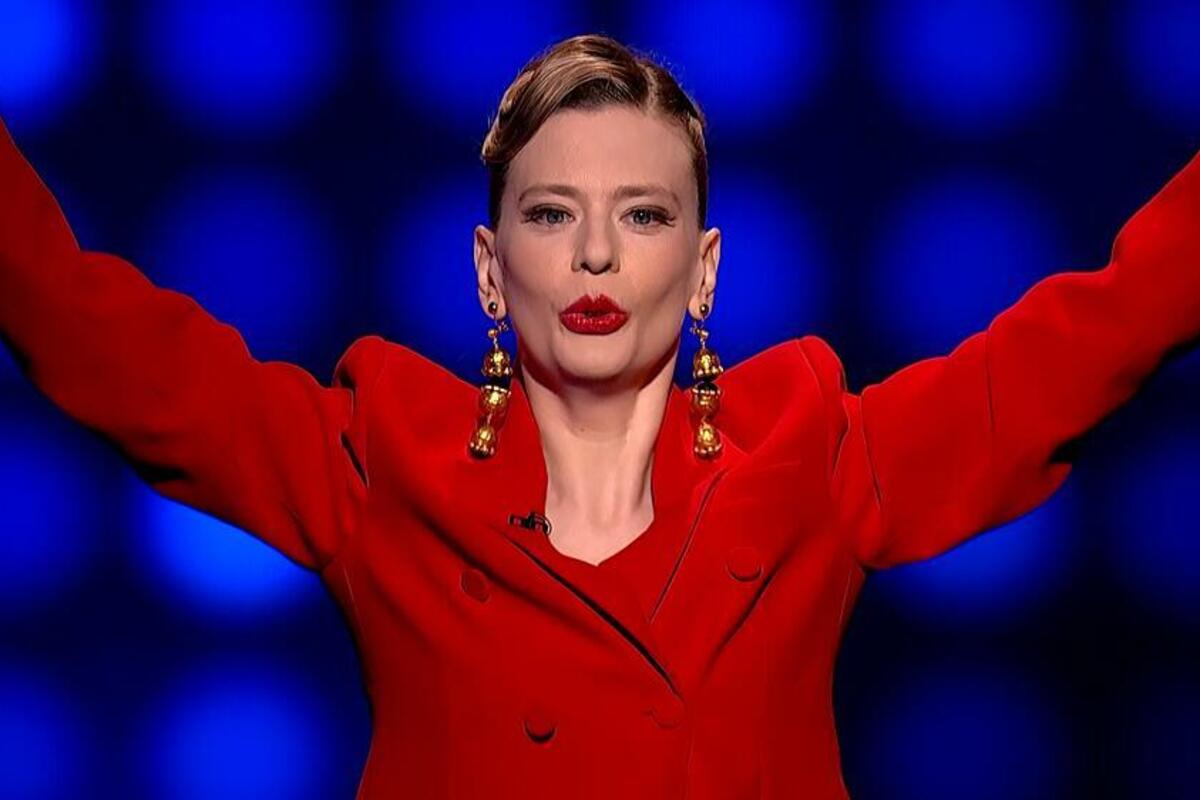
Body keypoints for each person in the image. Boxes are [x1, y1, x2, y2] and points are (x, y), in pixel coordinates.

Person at [1, 31, 1198, 799]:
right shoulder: (382, 459)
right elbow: (88, 330)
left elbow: (1103, 328)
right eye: (549, 213)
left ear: (705, 267)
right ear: (488, 268)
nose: (593, 255)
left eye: (642, 214)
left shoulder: (811, 454)